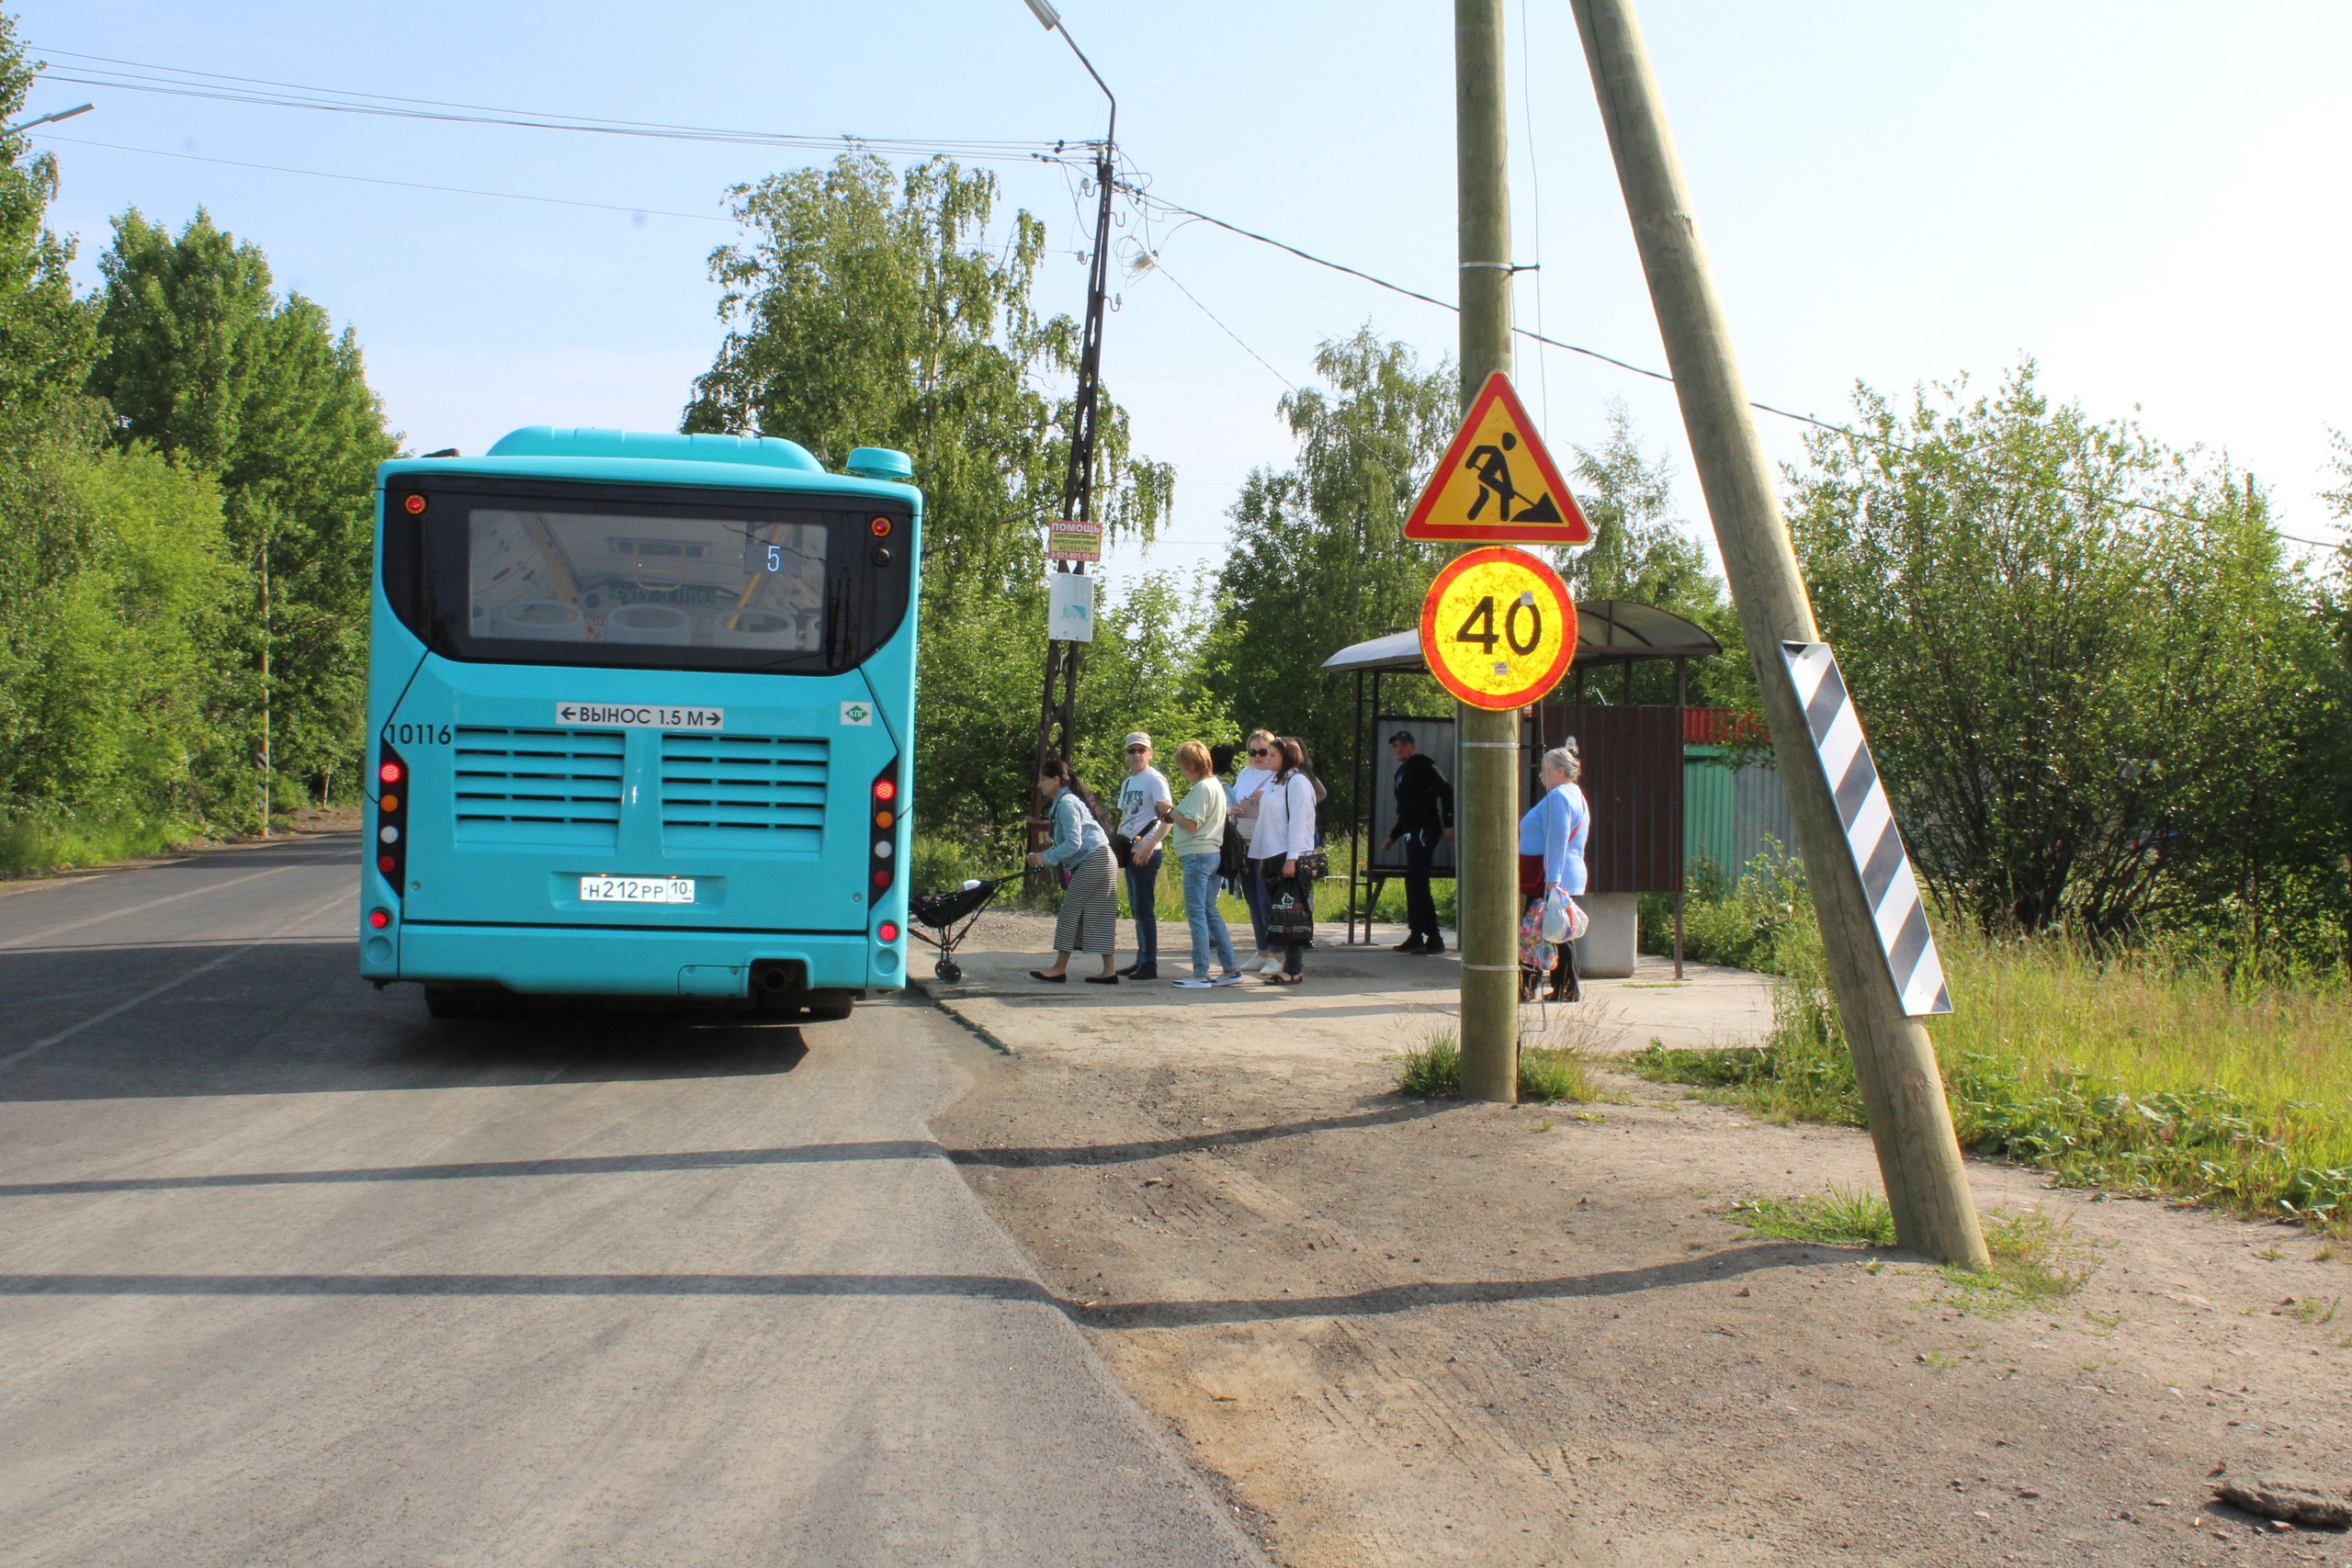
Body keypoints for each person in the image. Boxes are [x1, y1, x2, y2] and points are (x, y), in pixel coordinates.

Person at [1156, 740, 1244, 987]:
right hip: (1212, 854)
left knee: (1196, 914)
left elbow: (1191, 824)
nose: (1182, 773)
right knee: (1209, 911)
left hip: (1198, 856)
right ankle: (1230, 968)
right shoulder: (1215, 785)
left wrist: (1169, 810)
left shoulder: (1202, 788)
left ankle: (1200, 973)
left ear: (1192, 766)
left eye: (1182, 767)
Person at [1025, 758, 1119, 984]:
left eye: (1043, 779)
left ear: (1056, 780)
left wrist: (1044, 858)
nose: (1039, 785)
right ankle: (1109, 971)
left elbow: (1073, 844)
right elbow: (1070, 841)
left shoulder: (1066, 803)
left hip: (1094, 860)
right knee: (1100, 915)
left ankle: (1059, 969)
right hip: (1104, 858)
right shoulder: (1066, 801)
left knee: (1070, 912)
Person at [1516, 743, 1589, 1002]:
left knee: (1536, 932)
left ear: (1560, 770)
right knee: (1555, 932)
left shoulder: (1559, 798)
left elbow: (1557, 839)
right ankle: (1564, 988)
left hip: (1550, 878)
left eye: (1544, 770)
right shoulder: (1573, 794)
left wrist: (1552, 882)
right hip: (1558, 876)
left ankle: (1531, 988)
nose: (1540, 775)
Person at [1249, 735, 1317, 985]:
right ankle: (1286, 965)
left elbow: (1300, 823)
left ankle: (1293, 968)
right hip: (1273, 855)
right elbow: (1268, 823)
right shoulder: (1277, 782)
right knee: (1279, 913)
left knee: (1291, 912)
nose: (1268, 758)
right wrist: (1263, 859)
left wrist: (1292, 858)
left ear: (1287, 757)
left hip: (1291, 856)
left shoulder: (1297, 782)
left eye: (1274, 755)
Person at [1381, 729, 1454, 954]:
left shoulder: (1422, 763)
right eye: (1396, 746)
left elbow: (1445, 789)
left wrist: (1448, 822)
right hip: (1412, 830)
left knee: (1416, 880)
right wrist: (1394, 836)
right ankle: (1432, 937)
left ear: (1412, 746)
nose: (1399, 749)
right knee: (1416, 881)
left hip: (1425, 829)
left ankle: (1418, 934)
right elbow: (1406, 810)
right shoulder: (1401, 772)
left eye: (1404, 745)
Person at [1115, 732, 1172, 981]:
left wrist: (1149, 846)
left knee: (1145, 909)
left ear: (1150, 753)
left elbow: (1168, 817)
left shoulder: (1155, 780)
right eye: (1132, 751)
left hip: (1145, 851)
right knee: (1136, 908)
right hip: (1129, 849)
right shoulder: (1129, 782)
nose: (1137, 755)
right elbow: (1125, 817)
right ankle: (1141, 958)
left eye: (1141, 750)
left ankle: (1149, 963)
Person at [1228, 728, 1279, 959]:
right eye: (1253, 751)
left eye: (1263, 751)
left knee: (1264, 899)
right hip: (1245, 843)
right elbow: (1232, 801)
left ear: (1272, 752)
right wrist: (1233, 809)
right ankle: (1262, 950)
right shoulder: (1245, 773)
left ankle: (1276, 952)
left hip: (1267, 844)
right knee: (1251, 899)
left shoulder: (1278, 775)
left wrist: (1264, 796)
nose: (1258, 756)